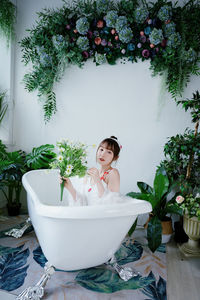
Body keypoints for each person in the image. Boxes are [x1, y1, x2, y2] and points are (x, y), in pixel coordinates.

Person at [61, 136, 124, 206]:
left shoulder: (113, 173)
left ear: (115, 157)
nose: (103, 154)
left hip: (101, 216)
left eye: (109, 152)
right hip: (89, 215)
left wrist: (97, 180)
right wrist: (69, 187)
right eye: (101, 150)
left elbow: (111, 204)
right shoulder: (91, 173)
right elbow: (84, 203)